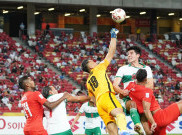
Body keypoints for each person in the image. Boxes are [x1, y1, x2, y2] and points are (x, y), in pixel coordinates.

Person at [81, 28, 130, 135]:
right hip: (106, 96)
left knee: (112, 130)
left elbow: (92, 99)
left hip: (99, 104)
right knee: (120, 114)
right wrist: (113, 36)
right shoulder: (99, 68)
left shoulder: (88, 82)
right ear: (89, 66)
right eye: (91, 61)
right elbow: (111, 52)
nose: (94, 61)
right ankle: (125, 132)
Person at [125, 69, 182, 135]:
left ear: (136, 77)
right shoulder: (147, 91)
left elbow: (121, 95)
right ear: (145, 80)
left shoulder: (131, 86)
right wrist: (153, 122)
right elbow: (146, 110)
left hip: (147, 120)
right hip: (160, 117)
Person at [113, 46, 153, 135]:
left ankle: (142, 131)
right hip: (128, 98)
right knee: (132, 104)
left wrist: (134, 89)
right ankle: (137, 126)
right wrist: (122, 91)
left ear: (138, 55)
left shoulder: (146, 68)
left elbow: (150, 85)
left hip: (143, 100)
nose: (129, 56)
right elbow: (115, 85)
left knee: (149, 131)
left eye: (131, 53)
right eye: (128, 54)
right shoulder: (123, 69)